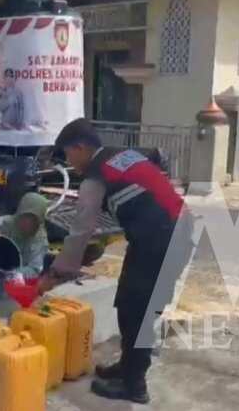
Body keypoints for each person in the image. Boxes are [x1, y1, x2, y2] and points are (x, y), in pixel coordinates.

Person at [38, 118, 194, 404]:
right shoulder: (122, 155)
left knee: (139, 309)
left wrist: (56, 274)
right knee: (127, 300)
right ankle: (128, 366)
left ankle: (135, 386)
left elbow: (80, 230)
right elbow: (157, 162)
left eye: (68, 154)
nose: (69, 162)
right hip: (172, 230)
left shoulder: (96, 176)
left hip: (162, 238)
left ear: (81, 148)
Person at [0, 192, 50, 301]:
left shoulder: (40, 240)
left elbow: (35, 269)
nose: (27, 222)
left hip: (20, 284)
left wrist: (17, 274)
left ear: (39, 221)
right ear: (19, 213)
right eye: (25, 217)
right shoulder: (7, 222)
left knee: (13, 312)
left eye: (32, 219)